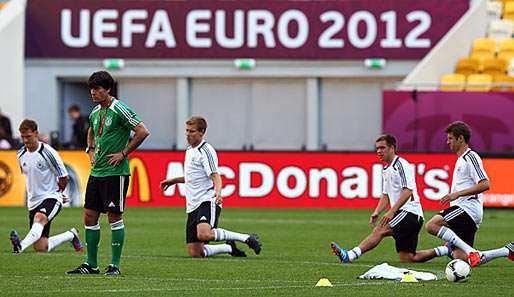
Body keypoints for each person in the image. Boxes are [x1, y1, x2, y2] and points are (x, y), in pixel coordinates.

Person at [67, 71, 150, 275]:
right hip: (97, 172)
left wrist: (123, 153)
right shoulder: (95, 112)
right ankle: (91, 265)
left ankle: (114, 265)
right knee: (89, 216)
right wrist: (90, 149)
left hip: (115, 173)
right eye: (91, 89)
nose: (93, 93)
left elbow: (142, 131)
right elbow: (91, 131)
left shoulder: (120, 109)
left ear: (108, 90)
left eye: (97, 89)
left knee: (114, 217)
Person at [160, 116, 261, 258]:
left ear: (202, 132)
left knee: (204, 234)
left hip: (206, 199)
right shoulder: (190, 150)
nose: (188, 134)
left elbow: (215, 175)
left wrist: (218, 192)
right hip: (192, 204)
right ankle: (229, 248)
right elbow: (193, 177)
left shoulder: (206, 151)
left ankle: (247, 238)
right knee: (195, 253)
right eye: (187, 131)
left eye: (192, 131)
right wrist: (173, 181)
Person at [330, 134, 442, 263]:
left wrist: (392, 211)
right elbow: (386, 194)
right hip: (407, 214)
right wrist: (377, 212)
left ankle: (349, 255)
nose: (379, 151)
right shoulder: (386, 168)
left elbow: (408, 190)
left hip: (410, 213)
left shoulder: (401, 165)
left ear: (392, 148)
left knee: (380, 229)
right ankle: (445, 250)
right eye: (377, 148)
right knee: (408, 258)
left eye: (382, 148)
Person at [9, 119, 83, 254]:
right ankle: (71, 235)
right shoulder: (20, 154)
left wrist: (59, 194)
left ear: (36, 133)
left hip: (50, 196)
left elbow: (64, 176)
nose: (25, 140)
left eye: (28, 136)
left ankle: (20, 246)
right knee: (41, 247)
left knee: (40, 218)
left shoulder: (48, 152)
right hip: (33, 202)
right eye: (23, 137)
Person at [424, 121, 490, 267]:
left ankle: (471, 251)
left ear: (461, 138)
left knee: (431, 225)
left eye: (450, 138)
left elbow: (485, 184)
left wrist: (457, 194)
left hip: (468, 209)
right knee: (460, 261)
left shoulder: (470, 157)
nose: (447, 142)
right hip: (466, 211)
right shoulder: (461, 159)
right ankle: (505, 251)